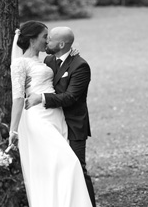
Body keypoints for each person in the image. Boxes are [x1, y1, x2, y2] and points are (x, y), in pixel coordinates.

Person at [8, 21, 92, 207]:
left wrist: (70, 54)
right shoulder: (24, 63)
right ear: (32, 39)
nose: (47, 41)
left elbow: (69, 92)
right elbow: (18, 98)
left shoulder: (53, 62)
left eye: (50, 38)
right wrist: (13, 130)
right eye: (45, 37)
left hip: (61, 119)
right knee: (67, 165)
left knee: (65, 168)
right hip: (39, 119)